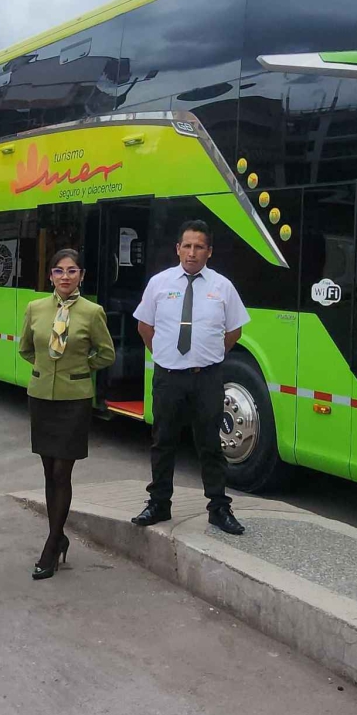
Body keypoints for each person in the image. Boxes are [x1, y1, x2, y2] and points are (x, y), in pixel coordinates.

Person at [130, 220, 248, 536]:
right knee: (163, 441)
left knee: (210, 444)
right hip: (169, 377)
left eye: (199, 247)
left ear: (209, 252)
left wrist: (208, 356)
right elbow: (144, 326)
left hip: (206, 378)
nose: (192, 253)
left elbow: (234, 330)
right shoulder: (159, 283)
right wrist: (165, 355)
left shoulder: (223, 287)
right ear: (177, 249)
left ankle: (219, 508)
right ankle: (159, 503)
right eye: (187, 246)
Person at [17, 249, 115, 579]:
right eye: (58, 271)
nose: (65, 277)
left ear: (81, 276)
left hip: (74, 400)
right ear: (50, 276)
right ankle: (58, 537)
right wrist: (47, 370)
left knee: (62, 472)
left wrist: (78, 368)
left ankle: (51, 543)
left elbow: (106, 354)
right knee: (48, 471)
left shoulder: (92, 312)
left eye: (72, 271)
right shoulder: (35, 308)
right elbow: (26, 348)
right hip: (41, 397)